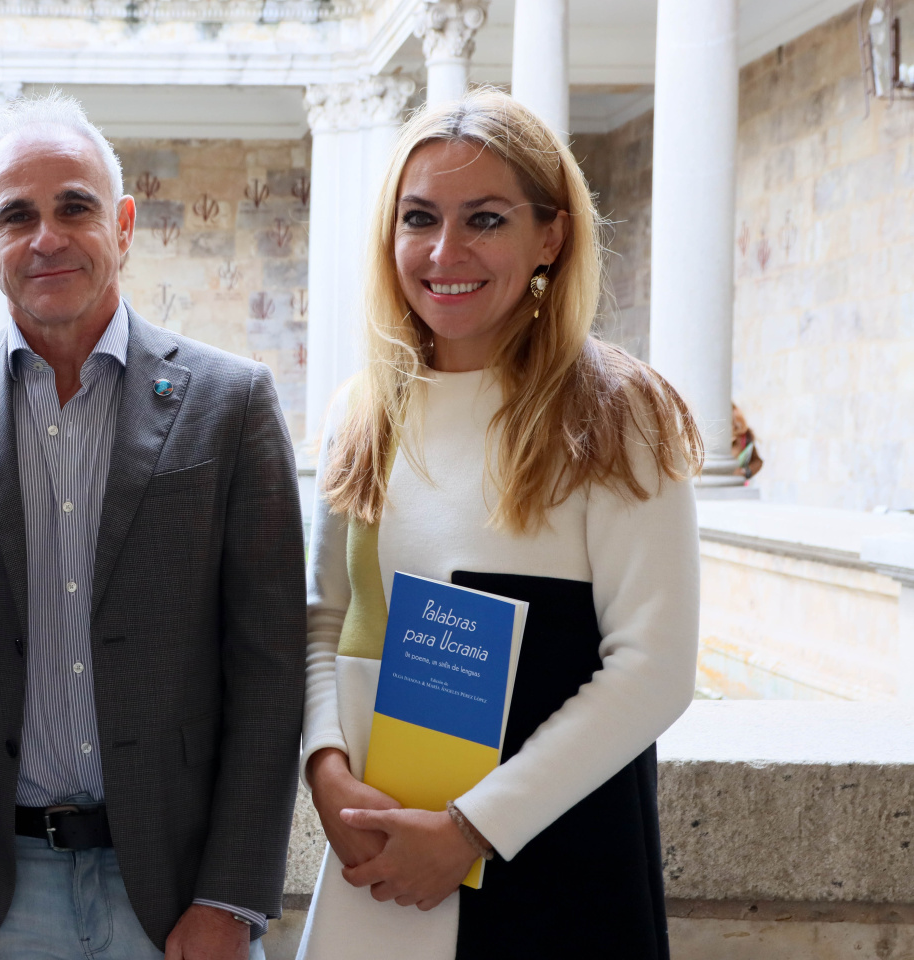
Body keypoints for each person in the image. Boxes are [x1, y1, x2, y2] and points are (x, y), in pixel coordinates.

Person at [0, 93, 306, 960]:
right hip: (0, 897)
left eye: (75, 206)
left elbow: (270, 670)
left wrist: (230, 898)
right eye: (17, 216)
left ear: (125, 224)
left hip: (182, 895)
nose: (47, 238)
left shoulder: (233, 403)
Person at [297, 89, 702, 960]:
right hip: (381, 854)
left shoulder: (618, 411)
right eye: (419, 218)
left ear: (550, 235)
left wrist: (470, 831)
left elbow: (656, 670)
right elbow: (324, 617)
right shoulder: (363, 411)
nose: (446, 252)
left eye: (485, 218)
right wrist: (326, 768)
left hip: (553, 864)